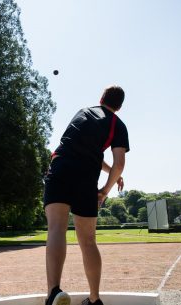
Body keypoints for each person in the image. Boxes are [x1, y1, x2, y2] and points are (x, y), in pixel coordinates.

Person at [43, 86, 129, 305]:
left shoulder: (83, 112)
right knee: (88, 241)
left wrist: (111, 173)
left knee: (56, 229)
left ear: (101, 99)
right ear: (119, 107)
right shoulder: (118, 125)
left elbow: (78, 149)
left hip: (61, 167)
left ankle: (54, 292)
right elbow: (119, 163)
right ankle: (94, 299)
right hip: (86, 178)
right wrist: (105, 190)